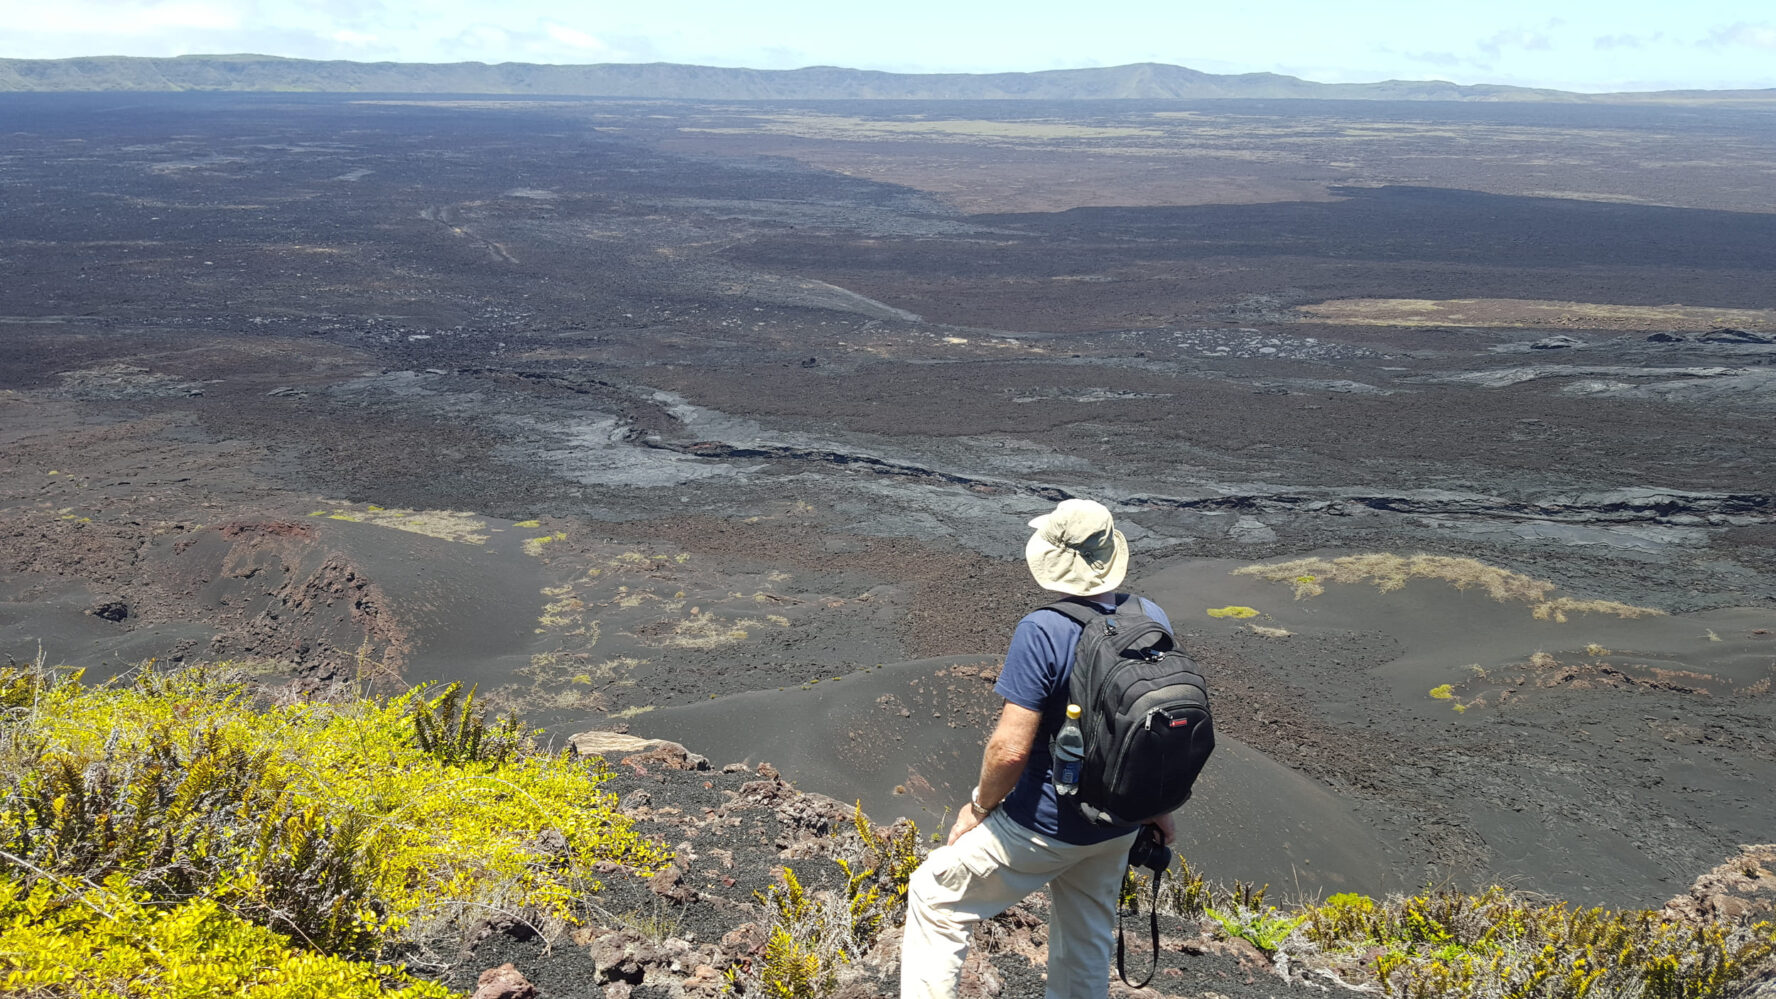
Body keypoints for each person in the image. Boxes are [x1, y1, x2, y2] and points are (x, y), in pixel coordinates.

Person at [900, 498, 1175, 999]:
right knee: (1084, 941)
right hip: (1119, 824)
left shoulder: (1043, 629)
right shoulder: (1151, 616)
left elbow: (1009, 750)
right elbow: (1158, 727)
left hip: (1046, 825)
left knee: (935, 895)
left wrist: (978, 808)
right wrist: (1156, 809)